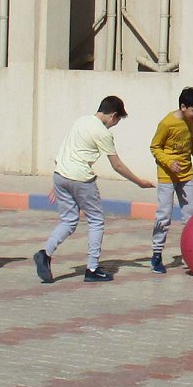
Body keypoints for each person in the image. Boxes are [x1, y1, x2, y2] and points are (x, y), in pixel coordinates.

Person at [34, 97, 154, 284]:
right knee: (96, 220)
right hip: (81, 178)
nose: (114, 125)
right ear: (113, 115)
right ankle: (92, 269)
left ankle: (45, 253)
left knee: (69, 220)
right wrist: (138, 182)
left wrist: (58, 184)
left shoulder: (80, 121)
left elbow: (66, 150)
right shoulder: (103, 133)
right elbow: (117, 165)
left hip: (60, 175)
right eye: (117, 121)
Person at [148, 87, 193, 275]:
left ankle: (191, 251)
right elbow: (155, 147)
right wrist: (169, 162)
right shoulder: (167, 123)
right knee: (164, 215)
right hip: (167, 175)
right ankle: (156, 254)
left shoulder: (191, 121)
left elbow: (192, 144)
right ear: (183, 106)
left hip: (186, 174)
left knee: (190, 214)